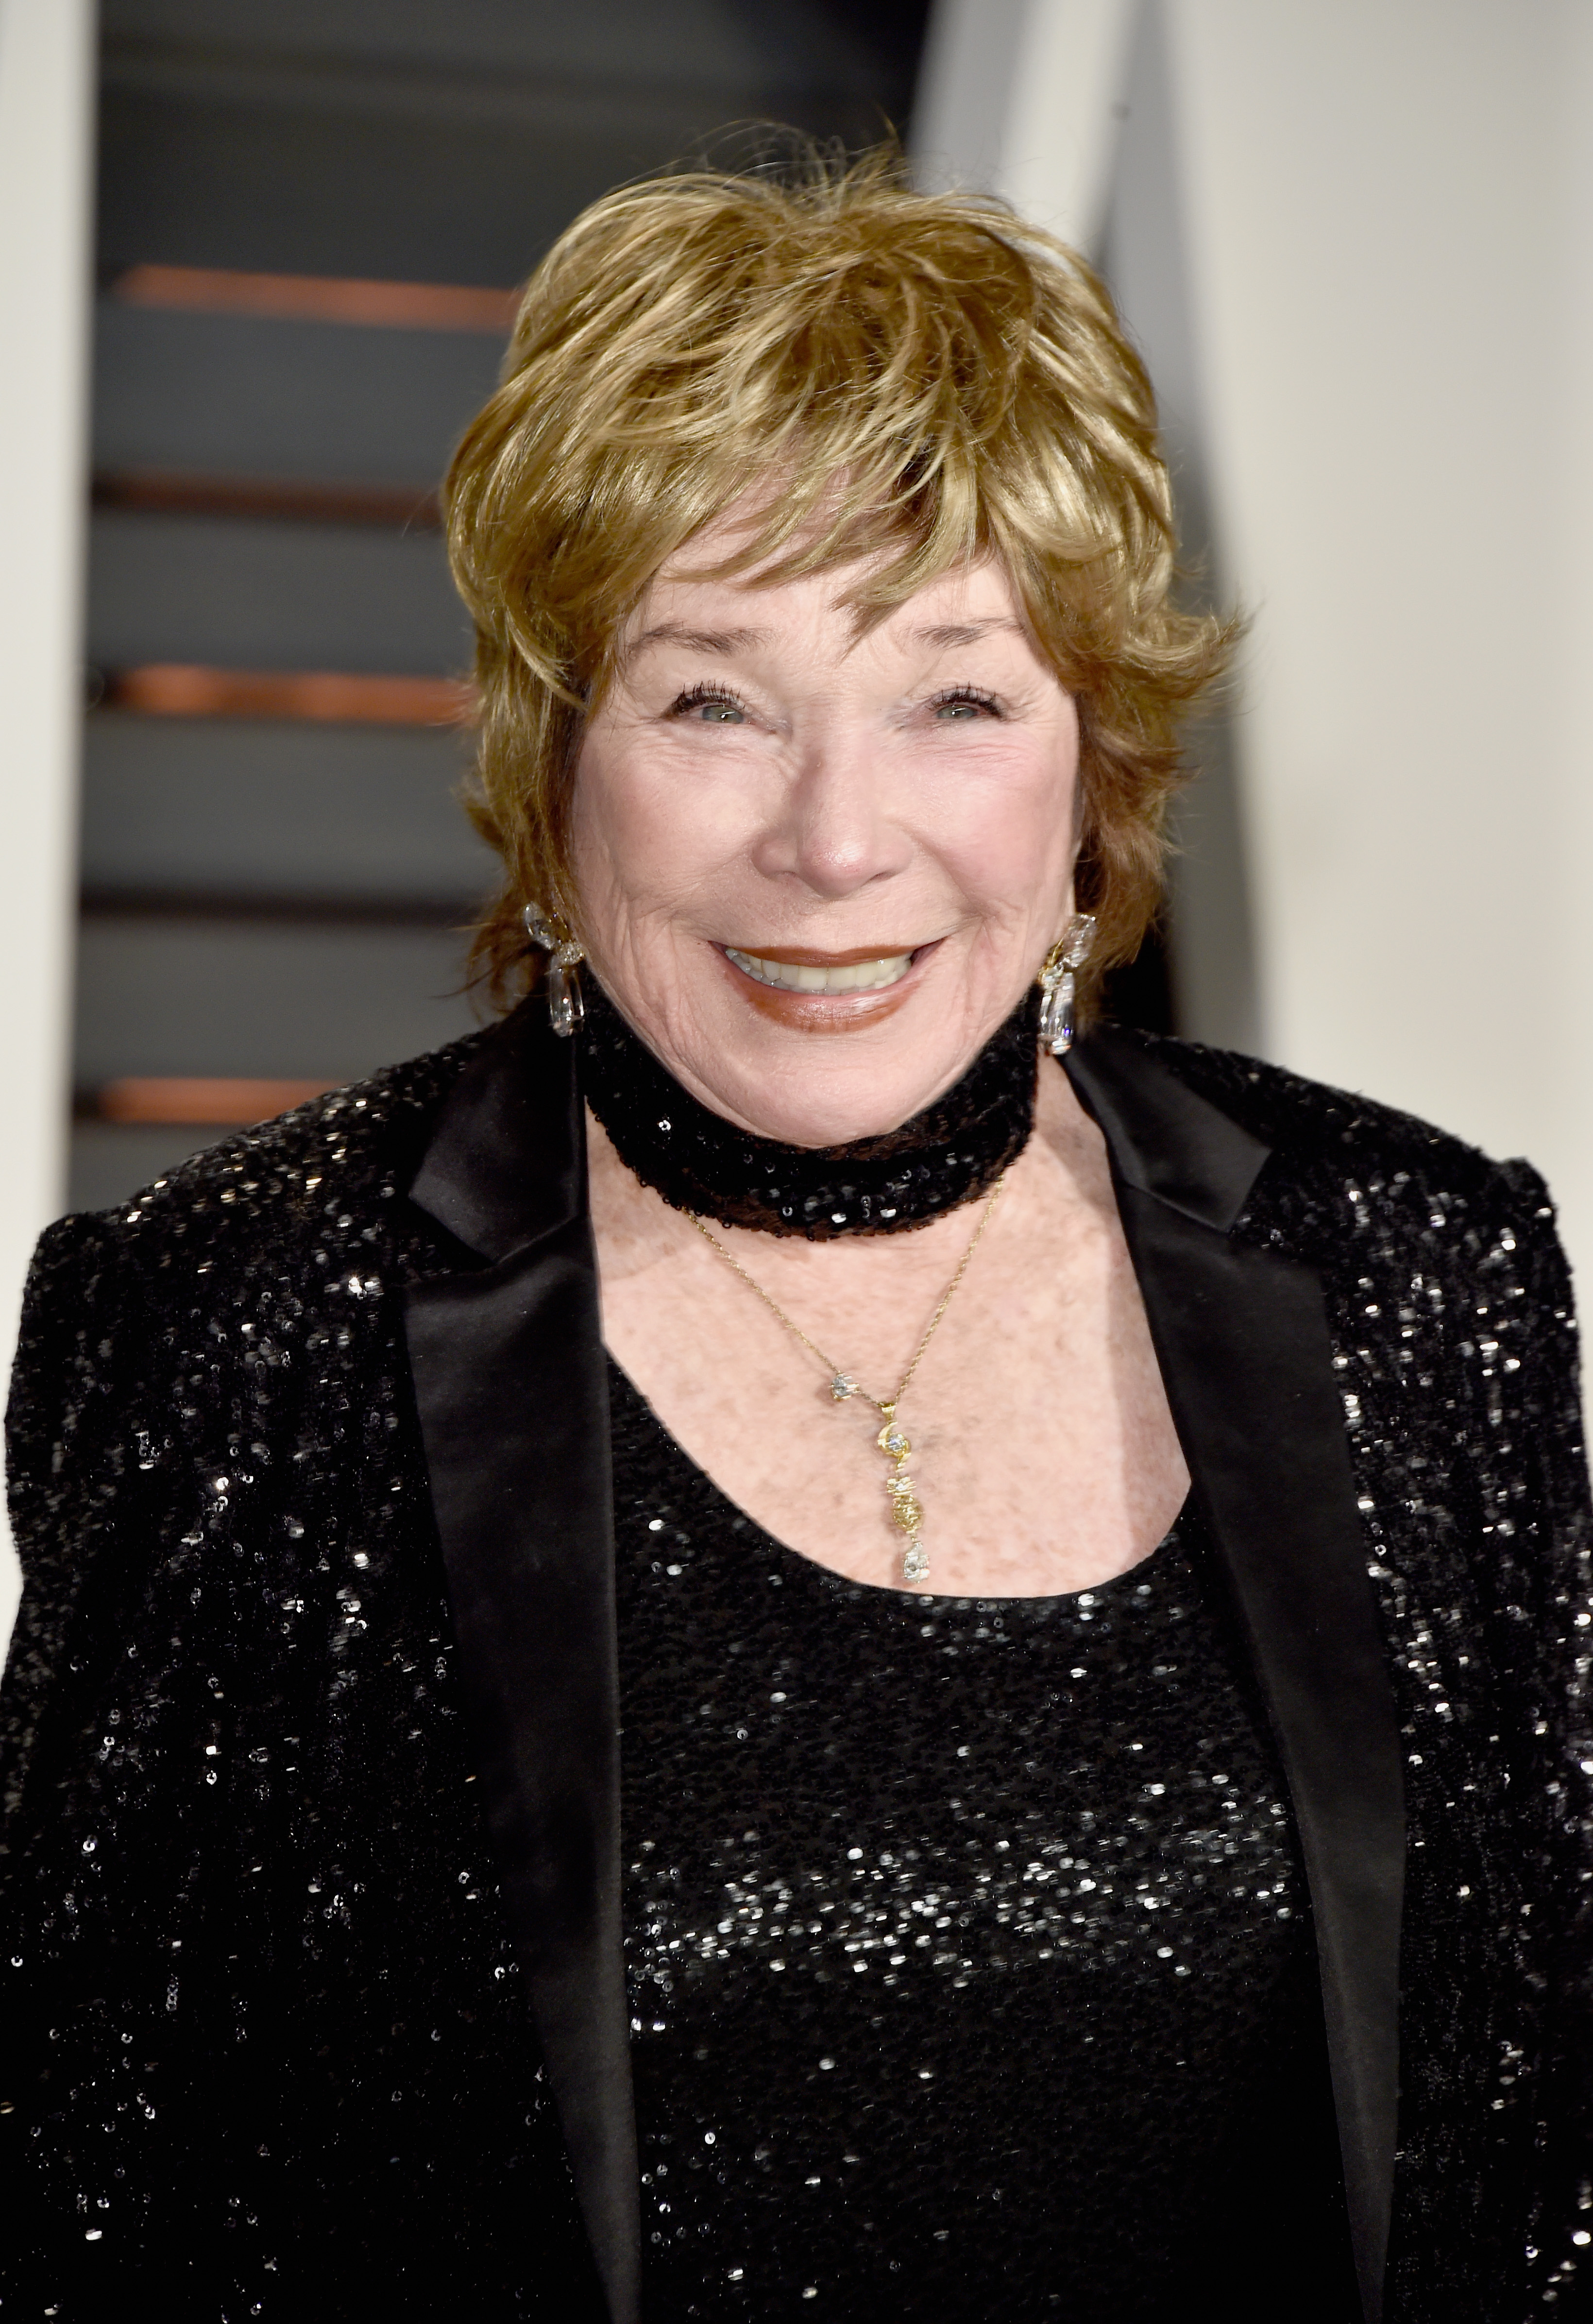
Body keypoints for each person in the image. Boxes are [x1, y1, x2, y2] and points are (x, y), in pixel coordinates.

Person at [2, 149, 1588, 2324]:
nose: (834, 837)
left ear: (1089, 783)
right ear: (554, 771)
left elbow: (1547, 2155)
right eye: (709, 696)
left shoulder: (1415, 1272)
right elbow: (96, 2220)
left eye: (955, 694)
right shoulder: (243, 1325)